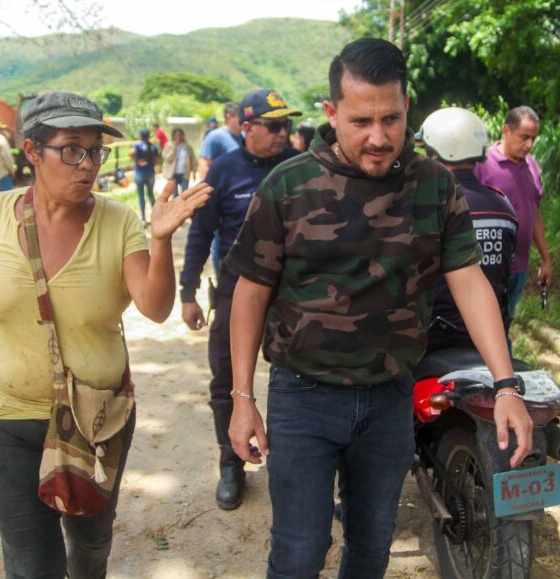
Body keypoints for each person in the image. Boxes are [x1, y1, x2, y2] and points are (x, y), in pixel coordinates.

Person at [225, 38, 533, 578]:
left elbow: (470, 282)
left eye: (391, 119)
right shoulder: (289, 185)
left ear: (407, 108)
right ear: (331, 113)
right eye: (361, 120)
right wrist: (242, 397)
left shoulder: (435, 186)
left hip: (390, 398)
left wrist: (506, 385)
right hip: (304, 397)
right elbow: (250, 292)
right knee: (299, 552)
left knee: (371, 548)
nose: (378, 137)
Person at [0, 91, 211, 578]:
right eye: (72, 149)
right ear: (32, 151)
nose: (88, 165)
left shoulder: (117, 220)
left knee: (90, 544)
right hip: (6, 416)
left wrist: (161, 240)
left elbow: (155, 305)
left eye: (95, 151)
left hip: (96, 416)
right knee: (31, 562)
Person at [180, 89, 300, 510]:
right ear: (246, 127)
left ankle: (300, 465)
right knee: (227, 379)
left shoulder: (297, 169)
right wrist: (188, 291)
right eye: (273, 126)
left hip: (291, 294)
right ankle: (231, 464)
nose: (282, 133)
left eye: (286, 125)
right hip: (236, 290)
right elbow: (200, 234)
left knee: (302, 377)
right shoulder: (225, 172)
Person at [417, 107, 519, 349]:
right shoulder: (503, 206)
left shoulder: (424, 206)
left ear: (435, 155)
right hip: (490, 339)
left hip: (433, 342)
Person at [475, 105, 552, 321]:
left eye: (533, 139)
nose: (529, 145)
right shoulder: (483, 165)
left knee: (506, 319)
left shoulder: (532, 166)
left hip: (519, 266)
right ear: (506, 131)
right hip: (488, 266)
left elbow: (534, 212)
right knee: (485, 325)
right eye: (524, 137)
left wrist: (546, 259)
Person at [197, 101, 243, 274]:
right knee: (218, 241)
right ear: (228, 117)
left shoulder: (244, 138)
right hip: (219, 198)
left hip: (238, 199)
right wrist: (207, 193)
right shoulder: (215, 137)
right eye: (240, 117)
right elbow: (204, 163)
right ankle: (220, 277)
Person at [130, 128, 159, 224]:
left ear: (140, 136)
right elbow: (156, 160)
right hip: (150, 173)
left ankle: (143, 218)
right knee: (151, 194)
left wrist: (137, 161)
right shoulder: (153, 147)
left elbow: (131, 153)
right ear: (148, 136)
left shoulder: (137, 145)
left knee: (141, 195)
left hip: (139, 173)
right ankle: (155, 217)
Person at [161, 127, 196, 196]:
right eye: (176, 135)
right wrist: (174, 149)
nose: (178, 137)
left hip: (184, 174)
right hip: (173, 174)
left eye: (180, 135)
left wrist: (194, 172)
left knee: (185, 194)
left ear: (182, 135)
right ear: (173, 136)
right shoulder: (169, 145)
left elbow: (193, 159)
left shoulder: (187, 146)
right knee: (175, 195)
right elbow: (166, 158)